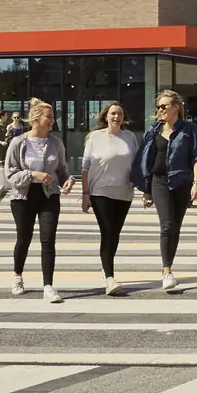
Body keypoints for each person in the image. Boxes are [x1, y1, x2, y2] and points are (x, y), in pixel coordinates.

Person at [3, 99, 70, 303]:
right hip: (23, 196)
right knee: (24, 238)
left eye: (53, 117)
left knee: (48, 240)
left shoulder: (56, 143)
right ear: (35, 119)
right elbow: (10, 174)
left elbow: (62, 169)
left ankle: (48, 286)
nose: (52, 121)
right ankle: (17, 276)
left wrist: (68, 180)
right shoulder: (18, 142)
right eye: (48, 117)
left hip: (49, 195)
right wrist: (33, 174)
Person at [133, 89, 197, 294]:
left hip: (182, 182)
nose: (160, 110)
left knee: (175, 227)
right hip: (159, 181)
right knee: (167, 224)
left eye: (164, 106)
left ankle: (169, 266)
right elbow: (146, 160)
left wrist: (196, 183)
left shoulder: (189, 129)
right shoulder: (154, 131)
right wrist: (146, 190)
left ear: (176, 107)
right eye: (158, 106)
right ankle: (166, 271)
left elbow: (196, 157)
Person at [80, 101, 137, 297]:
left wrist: (145, 189)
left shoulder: (130, 137)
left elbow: (136, 165)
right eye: (113, 113)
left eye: (120, 113)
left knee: (115, 234)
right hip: (100, 191)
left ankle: (106, 268)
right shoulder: (95, 137)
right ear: (106, 116)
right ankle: (110, 278)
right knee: (108, 232)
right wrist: (85, 194)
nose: (116, 117)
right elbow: (85, 167)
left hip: (124, 192)